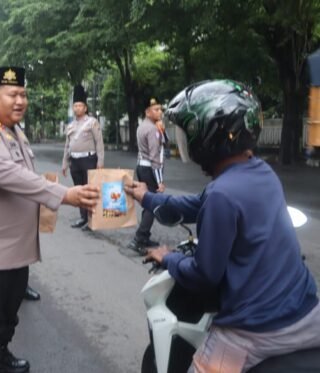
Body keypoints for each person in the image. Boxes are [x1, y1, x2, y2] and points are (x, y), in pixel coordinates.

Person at [125, 80, 320, 372]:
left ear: (207, 137)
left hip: (258, 328)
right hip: (306, 310)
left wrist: (169, 257)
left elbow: (205, 275)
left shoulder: (222, 194)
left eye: (188, 133)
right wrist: (146, 197)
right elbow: (195, 204)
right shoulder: (260, 172)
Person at [0, 67, 100, 373]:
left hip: (12, 251)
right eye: (12, 95)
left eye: (23, 94)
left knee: (8, 317)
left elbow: (28, 175)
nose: (21, 101)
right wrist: (64, 195)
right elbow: (11, 176)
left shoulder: (11, 129)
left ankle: (1, 354)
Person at [61, 85, 105, 230]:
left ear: (85, 108)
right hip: (75, 161)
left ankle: (92, 220)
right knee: (79, 190)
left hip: (88, 160)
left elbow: (99, 142)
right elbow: (67, 145)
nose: (77, 108)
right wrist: (65, 163)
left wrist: (100, 161)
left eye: (80, 105)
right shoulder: (70, 126)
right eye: (75, 106)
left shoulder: (92, 122)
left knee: (90, 190)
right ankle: (83, 218)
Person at [126, 97, 165, 255]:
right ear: (148, 112)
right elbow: (155, 157)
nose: (160, 112)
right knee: (152, 205)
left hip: (141, 166)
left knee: (146, 200)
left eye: (160, 109)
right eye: (156, 109)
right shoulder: (152, 129)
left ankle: (144, 235)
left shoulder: (143, 126)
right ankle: (139, 238)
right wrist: (160, 181)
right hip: (150, 169)